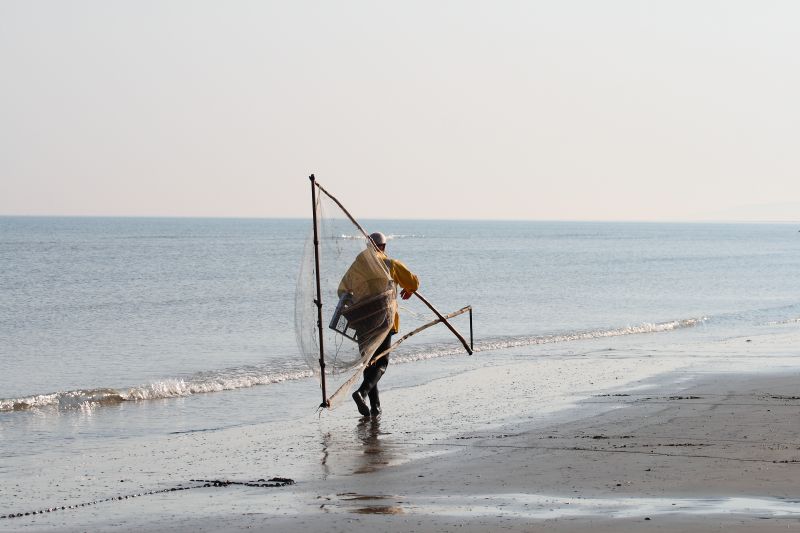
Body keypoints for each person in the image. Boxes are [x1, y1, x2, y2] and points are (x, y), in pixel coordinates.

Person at [338, 232, 419, 417]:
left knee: (369, 364)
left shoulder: (357, 266)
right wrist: (411, 289)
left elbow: (342, 290)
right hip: (384, 322)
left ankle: (375, 408)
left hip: (361, 322)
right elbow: (413, 281)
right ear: (383, 247)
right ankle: (362, 393)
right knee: (381, 362)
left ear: (368, 247)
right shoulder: (390, 265)